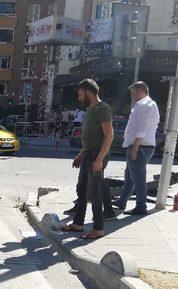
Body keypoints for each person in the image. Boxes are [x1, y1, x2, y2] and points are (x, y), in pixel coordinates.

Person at [61, 79, 114, 239]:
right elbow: (91, 139)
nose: (79, 97)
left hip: (97, 156)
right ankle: (78, 224)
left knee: (94, 191)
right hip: (88, 154)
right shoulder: (90, 109)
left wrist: (99, 160)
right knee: (82, 189)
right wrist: (80, 154)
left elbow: (109, 136)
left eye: (80, 94)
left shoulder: (103, 109)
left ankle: (98, 228)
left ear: (88, 92)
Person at [114, 81, 160, 215]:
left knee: (138, 178)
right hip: (141, 146)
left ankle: (141, 207)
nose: (132, 96)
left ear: (140, 92)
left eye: (133, 94)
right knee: (129, 176)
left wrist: (135, 147)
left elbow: (142, 128)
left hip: (140, 147)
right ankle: (122, 201)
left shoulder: (144, 104)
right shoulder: (146, 104)